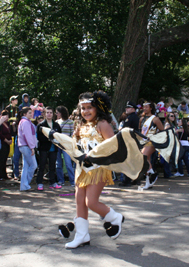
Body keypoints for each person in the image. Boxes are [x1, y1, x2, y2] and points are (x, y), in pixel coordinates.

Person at [59, 91, 124, 249]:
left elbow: (114, 148)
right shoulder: (80, 125)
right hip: (81, 169)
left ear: (98, 108)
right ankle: (82, 236)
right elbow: (76, 146)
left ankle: (115, 217)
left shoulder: (103, 124)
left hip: (98, 168)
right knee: (80, 201)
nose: (86, 111)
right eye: (83, 108)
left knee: (91, 202)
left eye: (90, 107)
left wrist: (96, 155)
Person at [140, 101, 164, 189]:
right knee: (146, 161)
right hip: (143, 141)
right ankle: (148, 182)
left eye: (147, 107)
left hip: (152, 142)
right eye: (144, 107)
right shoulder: (141, 118)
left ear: (151, 108)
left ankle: (153, 174)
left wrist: (155, 137)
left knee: (143, 157)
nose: (145, 108)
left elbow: (162, 131)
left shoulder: (155, 119)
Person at [36, 107, 61, 190]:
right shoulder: (41, 125)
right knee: (42, 166)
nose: (49, 114)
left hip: (53, 148)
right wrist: (49, 138)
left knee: (52, 166)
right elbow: (39, 138)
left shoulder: (56, 125)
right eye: (47, 112)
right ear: (45, 114)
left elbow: (59, 136)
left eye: (51, 112)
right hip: (43, 148)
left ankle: (53, 182)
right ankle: (39, 183)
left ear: (53, 114)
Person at [119, 101, 140, 186]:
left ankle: (127, 180)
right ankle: (135, 179)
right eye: (126, 108)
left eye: (128, 108)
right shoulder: (133, 117)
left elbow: (125, 129)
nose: (126, 109)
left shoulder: (130, 118)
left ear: (133, 109)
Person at [17, 107, 37, 191]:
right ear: (24, 114)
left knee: (26, 166)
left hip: (24, 146)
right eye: (29, 113)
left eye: (31, 112)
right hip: (26, 146)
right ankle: (26, 184)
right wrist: (32, 147)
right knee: (33, 165)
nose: (31, 114)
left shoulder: (24, 122)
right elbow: (28, 136)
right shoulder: (25, 122)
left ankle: (24, 185)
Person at [55, 106, 75, 187]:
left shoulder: (70, 122)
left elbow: (72, 134)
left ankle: (73, 180)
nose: (56, 114)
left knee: (68, 163)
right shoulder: (56, 122)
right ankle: (60, 180)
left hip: (66, 145)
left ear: (61, 113)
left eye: (57, 112)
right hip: (58, 144)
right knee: (58, 164)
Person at [0, 110, 12, 180]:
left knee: (5, 159)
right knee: (1, 159)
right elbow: (0, 134)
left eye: (7, 116)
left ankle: (4, 174)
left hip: (8, 143)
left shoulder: (8, 124)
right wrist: (6, 140)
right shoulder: (0, 124)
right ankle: (0, 175)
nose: (6, 117)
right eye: (5, 116)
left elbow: (10, 132)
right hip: (2, 143)